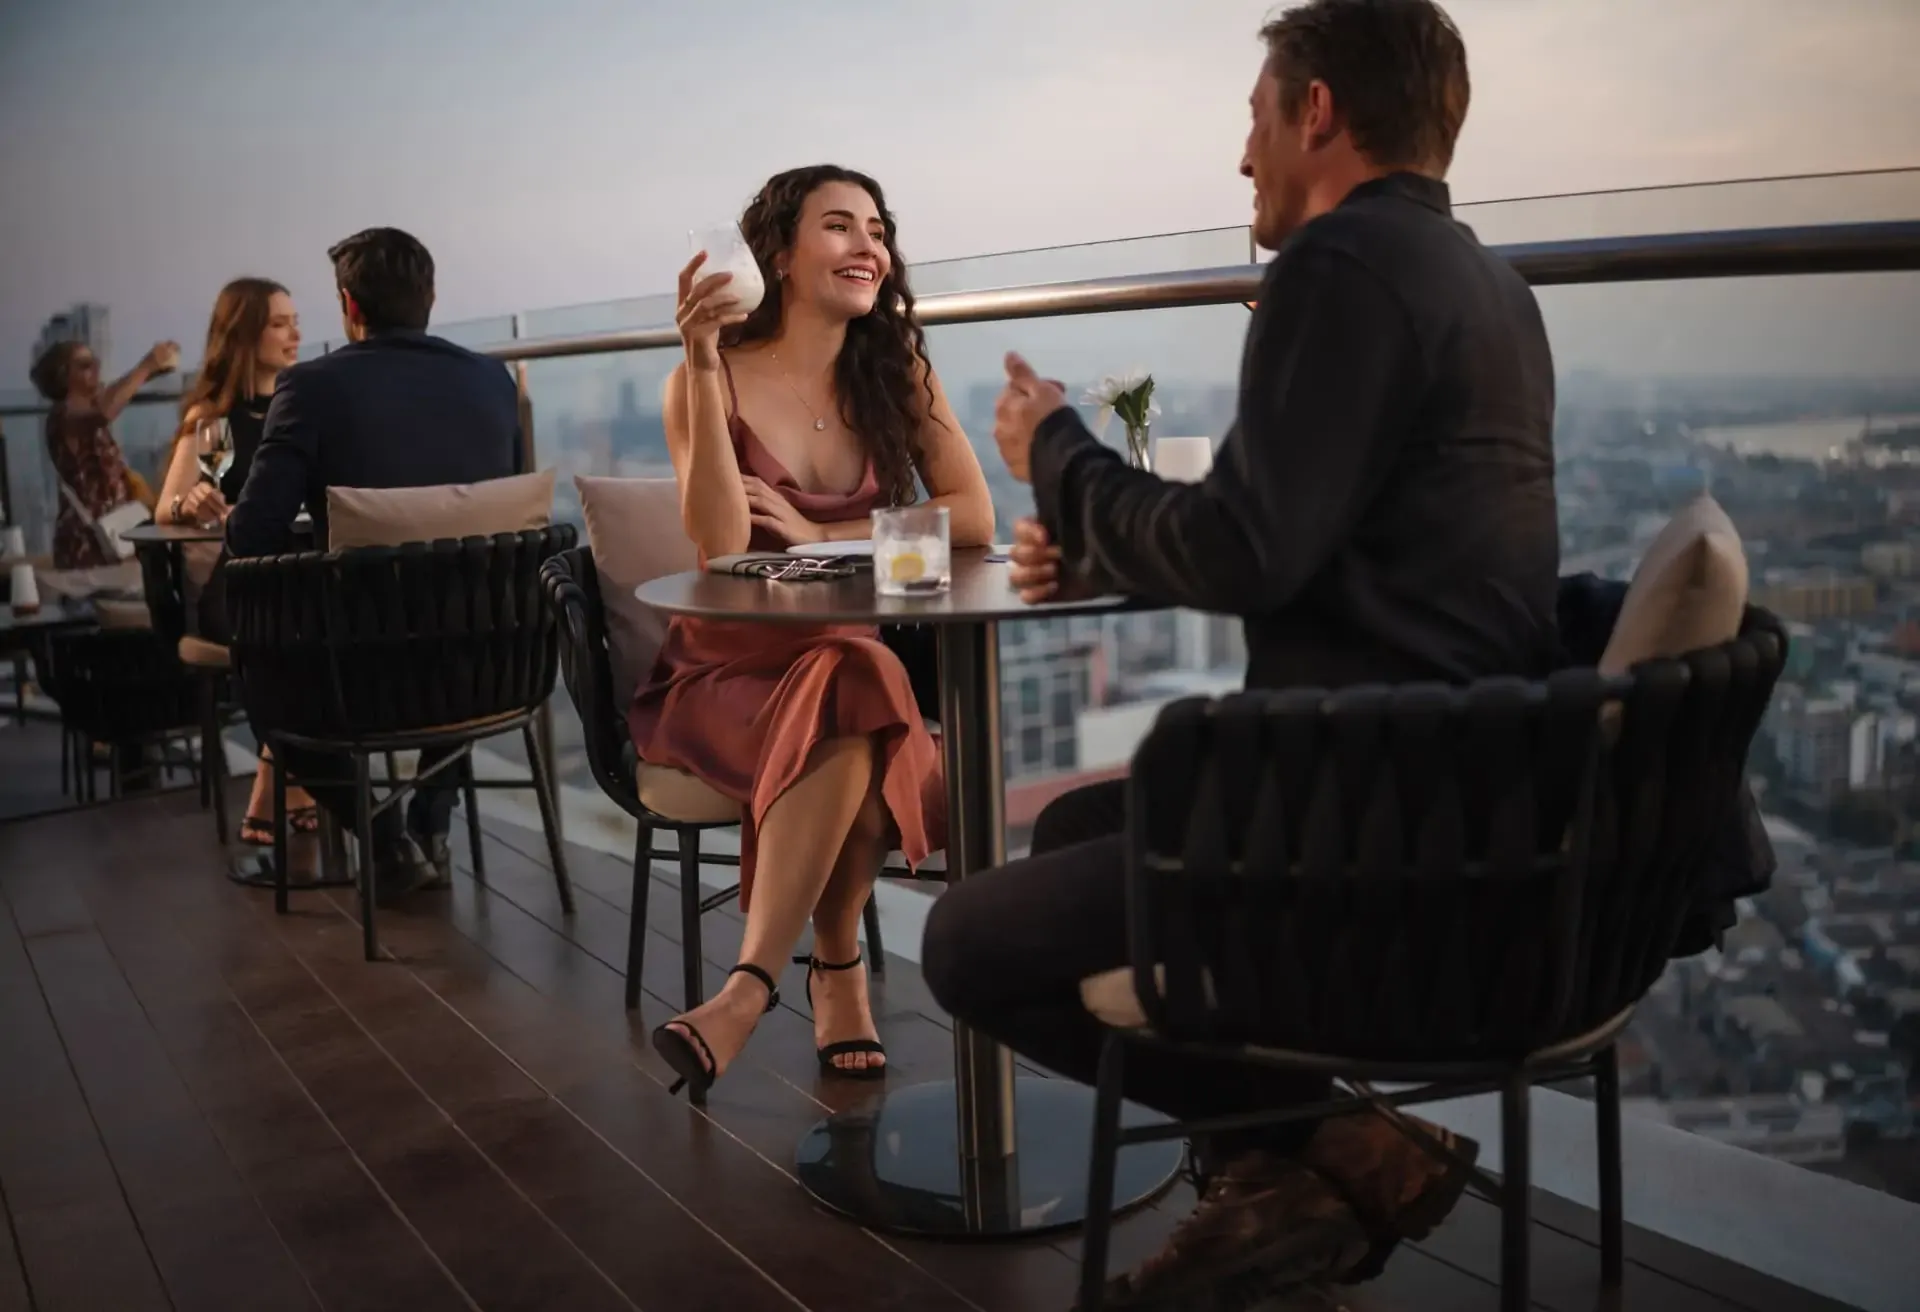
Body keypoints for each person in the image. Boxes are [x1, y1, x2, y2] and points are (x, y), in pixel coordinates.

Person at [921, 1, 1559, 1304]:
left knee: (966, 947)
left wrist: (1053, 445)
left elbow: (1247, 553)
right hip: (1468, 798)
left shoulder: (1338, 269)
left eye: (1255, 116)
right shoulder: (1490, 285)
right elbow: (1315, 536)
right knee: (1075, 832)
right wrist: (1101, 546)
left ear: (1316, 110)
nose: (1244, 157)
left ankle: (1332, 1145)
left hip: (1356, 833)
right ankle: (1282, 1180)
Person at [636, 165, 993, 1096]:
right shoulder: (699, 383)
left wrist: (822, 534)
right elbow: (717, 546)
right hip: (723, 680)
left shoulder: (897, 373)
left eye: (877, 228)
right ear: (781, 259)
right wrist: (705, 362)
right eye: (839, 227)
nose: (868, 246)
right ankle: (829, 971)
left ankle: (749, 992)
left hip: (849, 669)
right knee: (865, 684)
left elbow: (975, 516)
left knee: (856, 679)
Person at [225, 227, 524, 897]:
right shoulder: (492, 379)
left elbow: (252, 534)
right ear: (431, 297)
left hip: (361, 675)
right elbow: (502, 517)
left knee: (262, 677)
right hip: (493, 662)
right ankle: (432, 823)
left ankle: (386, 842)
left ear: (349, 308)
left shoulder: (310, 388)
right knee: (458, 615)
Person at [152, 277, 319, 847]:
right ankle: (290, 786)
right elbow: (164, 508)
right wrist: (188, 500)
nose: (296, 332)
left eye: (295, 320)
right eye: (280, 322)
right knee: (292, 636)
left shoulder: (304, 407)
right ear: (245, 335)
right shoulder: (214, 418)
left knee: (308, 629)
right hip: (238, 585)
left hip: (297, 578)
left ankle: (275, 783)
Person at [33, 337, 180, 569]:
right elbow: (105, 411)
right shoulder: (64, 415)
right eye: (84, 365)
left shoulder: (87, 407)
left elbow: (113, 394)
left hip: (110, 533)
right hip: (89, 541)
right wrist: (146, 366)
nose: (96, 368)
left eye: (95, 361)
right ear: (63, 375)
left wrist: (152, 371)